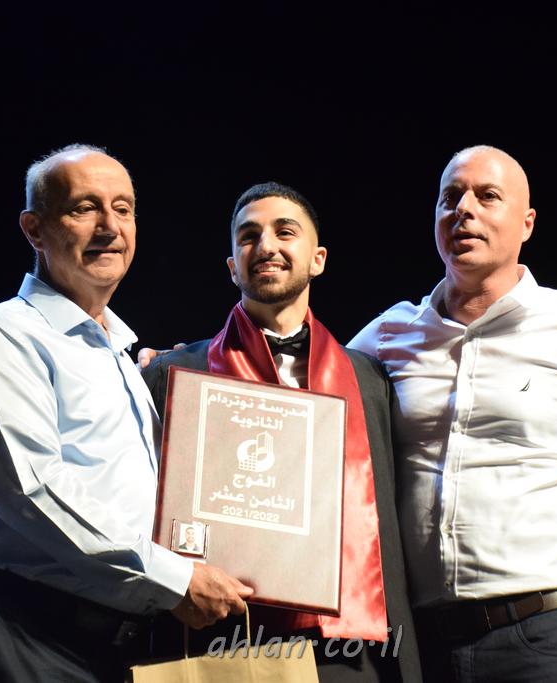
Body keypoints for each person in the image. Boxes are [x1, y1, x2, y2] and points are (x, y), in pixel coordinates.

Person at [348, 145, 557, 682]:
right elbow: (308, 402)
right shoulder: (390, 336)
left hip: (544, 636)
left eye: (487, 197)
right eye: (450, 198)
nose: (464, 209)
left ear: (526, 223)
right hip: (420, 643)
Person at [0, 144, 251, 683]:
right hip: (21, 637)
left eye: (123, 208)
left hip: (114, 644)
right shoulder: (1, 335)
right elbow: (32, 490)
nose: (110, 227)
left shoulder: (121, 355)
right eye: (85, 208)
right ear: (35, 229)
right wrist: (176, 579)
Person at [141, 182, 422, 683]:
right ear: (233, 266)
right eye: (249, 236)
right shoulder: (178, 375)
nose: (266, 246)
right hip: (226, 641)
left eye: (284, 232)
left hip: (350, 647)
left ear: (318, 259)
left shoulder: (370, 380)